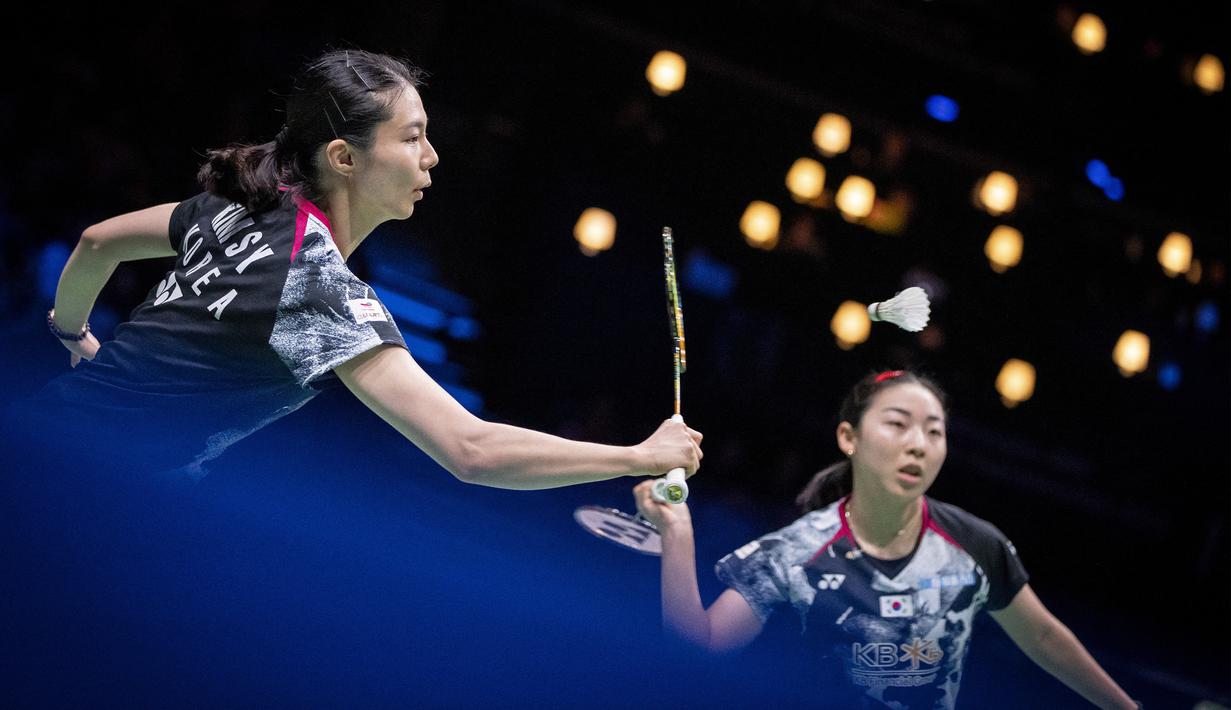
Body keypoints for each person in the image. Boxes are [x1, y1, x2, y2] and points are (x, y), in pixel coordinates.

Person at [24, 48, 702, 488]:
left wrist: (71, 334)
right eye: (411, 138)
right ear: (345, 158)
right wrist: (638, 457)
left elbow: (95, 244)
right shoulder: (318, 293)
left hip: (44, 434)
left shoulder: (244, 203)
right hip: (79, 486)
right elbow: (469, 449)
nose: (432, 156)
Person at [633, 370, 1139, 709]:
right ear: (849, 438)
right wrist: (678, 532)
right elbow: (699, 646)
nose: (917, 444)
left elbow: (1046, 638)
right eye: (897, 425)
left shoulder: (976, 547)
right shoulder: (795, 552)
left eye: (933, 432)